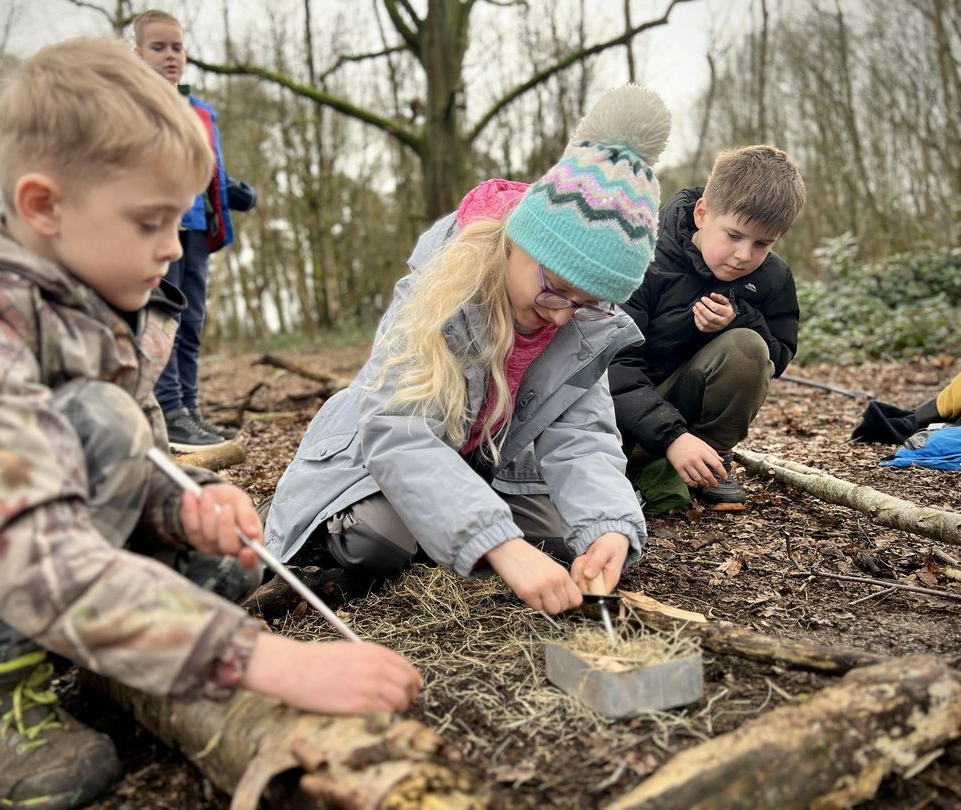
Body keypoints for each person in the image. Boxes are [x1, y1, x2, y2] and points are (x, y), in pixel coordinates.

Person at [0, 38, 420, 810]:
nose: (173, 248)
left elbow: (134, 453)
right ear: (43, 205)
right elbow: (22, 543)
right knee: (93, 420)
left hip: (19, 572)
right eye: (151, 221)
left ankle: (113, 646)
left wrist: (186, 503)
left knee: (224, 561)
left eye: (181, 221)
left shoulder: (83, 287)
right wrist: (258, 661)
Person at [263, 85, 670, 617]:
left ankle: (453, 526)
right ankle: (323, 514)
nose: (563, 314)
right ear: (520, 241)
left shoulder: (576, 319)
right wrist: (502, 545)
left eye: (588, 303)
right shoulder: (445, 291)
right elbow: (399, 431)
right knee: (375, 540)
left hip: (484, 465)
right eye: (555, 289)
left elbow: (583, 437)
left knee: (571, 535)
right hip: (372, 457)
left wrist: (610, 528)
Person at [609, 145, 806, 511]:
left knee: (747, 347)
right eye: (733, 236)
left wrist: (739, 319)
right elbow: (612, 365)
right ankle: (655, 461)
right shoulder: (642, 258)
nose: (744, 255)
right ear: (702, 213)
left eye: (762, 243)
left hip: (683, 404)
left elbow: (776, 355)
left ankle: (711, 462)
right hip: (615, 416)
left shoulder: (772, 277)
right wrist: (672, 437)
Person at [133, 9, 257, 451]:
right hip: (160, 227)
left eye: (177, 47)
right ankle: (167, 410)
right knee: (164, 317)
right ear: (137, 53)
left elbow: (204, 169)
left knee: (192, 322)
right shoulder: (137, 106)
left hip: (199, 228)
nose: (170, 56)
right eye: (158, 47)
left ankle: (188, 409)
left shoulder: (198, 109)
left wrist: (232, 192)